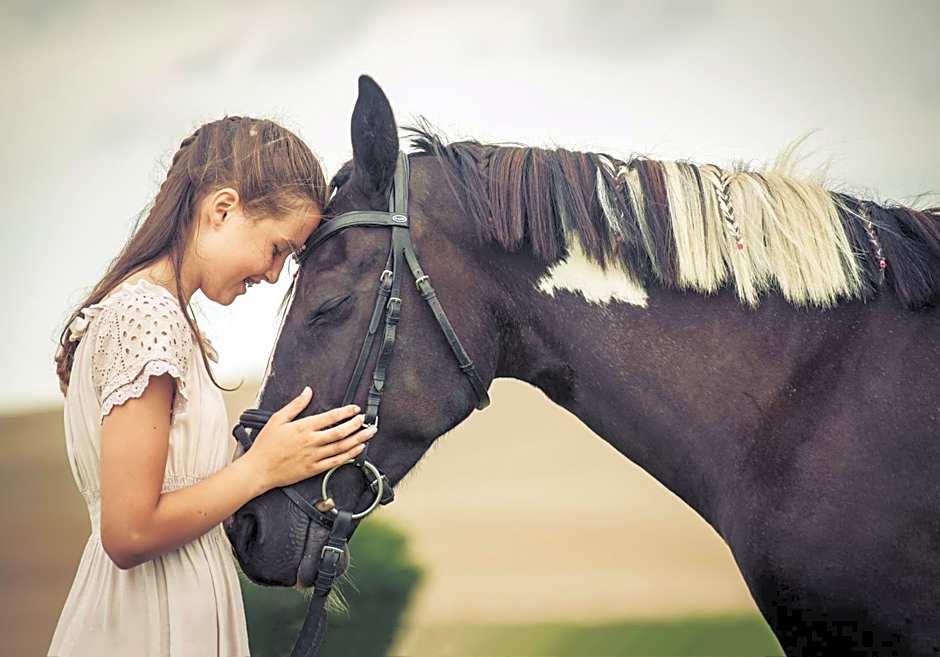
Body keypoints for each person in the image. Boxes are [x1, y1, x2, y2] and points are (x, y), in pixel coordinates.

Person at [48, 116, 376, 656]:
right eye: (277, 248)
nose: (274, 274)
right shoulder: (146, 318)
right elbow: (129, 533)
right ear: (222, 210)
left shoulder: (158, 317)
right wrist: (259, 468)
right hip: (149, 627)